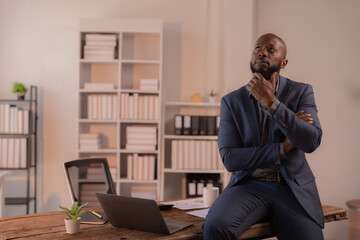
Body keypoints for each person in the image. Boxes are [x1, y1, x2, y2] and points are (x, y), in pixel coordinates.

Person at [203, 33, 324, 240]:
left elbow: (311, 141)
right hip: (249, 185)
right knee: (215, 227)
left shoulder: (301, 92)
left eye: (271, 49)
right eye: (258, 48)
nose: (262, 52)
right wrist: (282, 148)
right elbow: (231, 159)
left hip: (292, 188)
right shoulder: (232, 102)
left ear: (283, 62)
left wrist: (272, 103)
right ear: (251, 57)